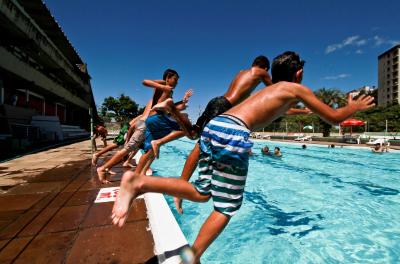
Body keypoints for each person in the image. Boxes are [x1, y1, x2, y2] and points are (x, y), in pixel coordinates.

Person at [111, 51, 375, 263]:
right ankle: (191, 258)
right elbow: (335, 116)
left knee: (203, 192)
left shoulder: (270, 92)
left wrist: (303, 113)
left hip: (218, 124)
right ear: (300, 73)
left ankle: (140, 183)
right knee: (226, 207)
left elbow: (280, 110)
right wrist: (354, 106)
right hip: (235, 132)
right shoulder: (295, 89)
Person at [96, 69, 180, 183]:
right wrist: (163, 87)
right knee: (129, 148)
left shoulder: (170, 91)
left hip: (153, 123)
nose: (176, 83)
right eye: (175, 79)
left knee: (150, 150)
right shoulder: (163, 84)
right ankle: (103, 168)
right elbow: (145, 81)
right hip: (146, 123)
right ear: (168, 77)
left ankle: (140, 174)